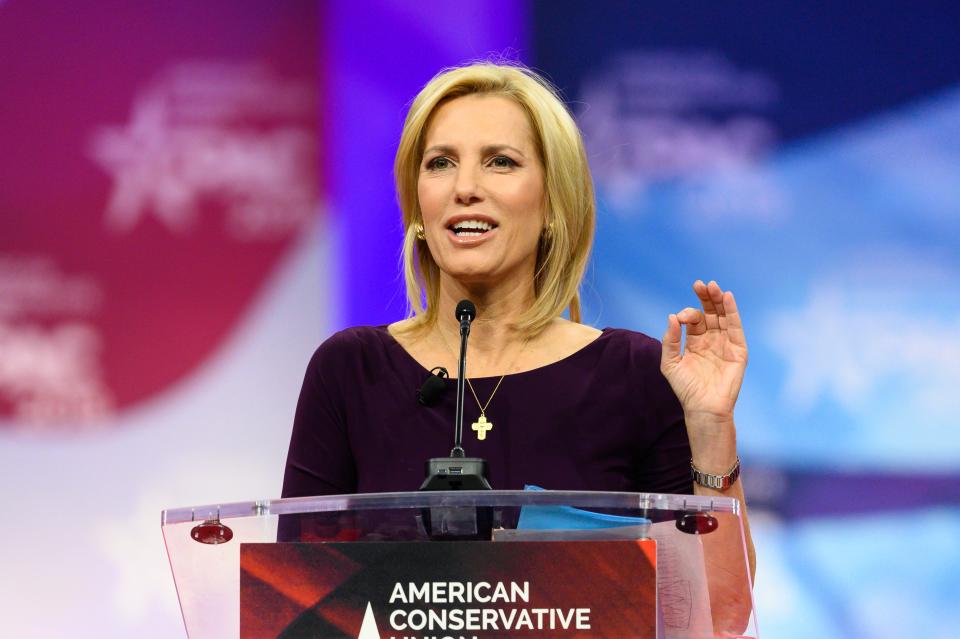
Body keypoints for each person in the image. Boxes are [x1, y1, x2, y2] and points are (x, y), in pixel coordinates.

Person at [281, 62, 755, 581]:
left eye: (500, 162)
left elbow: (719, 611)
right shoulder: (351, 371)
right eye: (440, 163)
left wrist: (711, 429)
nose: (465, 187)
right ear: (417, 205)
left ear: (552, 202)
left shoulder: (634, 374)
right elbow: (292, 599)